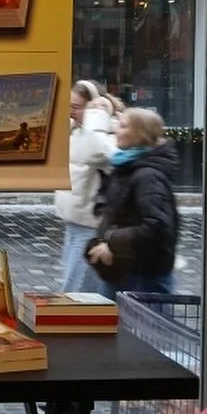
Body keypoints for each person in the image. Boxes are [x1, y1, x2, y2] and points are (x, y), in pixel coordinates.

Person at [86, 106, 179, 297]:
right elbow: (112, 199)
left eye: (123, 126)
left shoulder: (148, 176)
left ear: (140, 134)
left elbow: (157, 227)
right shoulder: (125, 166)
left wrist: (111, 242)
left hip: (142, 278)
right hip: (121, 271)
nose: (115, 130)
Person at [54, 80, 117, 294]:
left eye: (77, 107)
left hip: (91, 227)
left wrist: (98, 120)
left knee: (76, 291)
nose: (71, 112)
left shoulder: (104, 133)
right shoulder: (76, 130)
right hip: (74, 223)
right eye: (69, 106)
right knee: (74, 286)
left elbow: (113, 157)